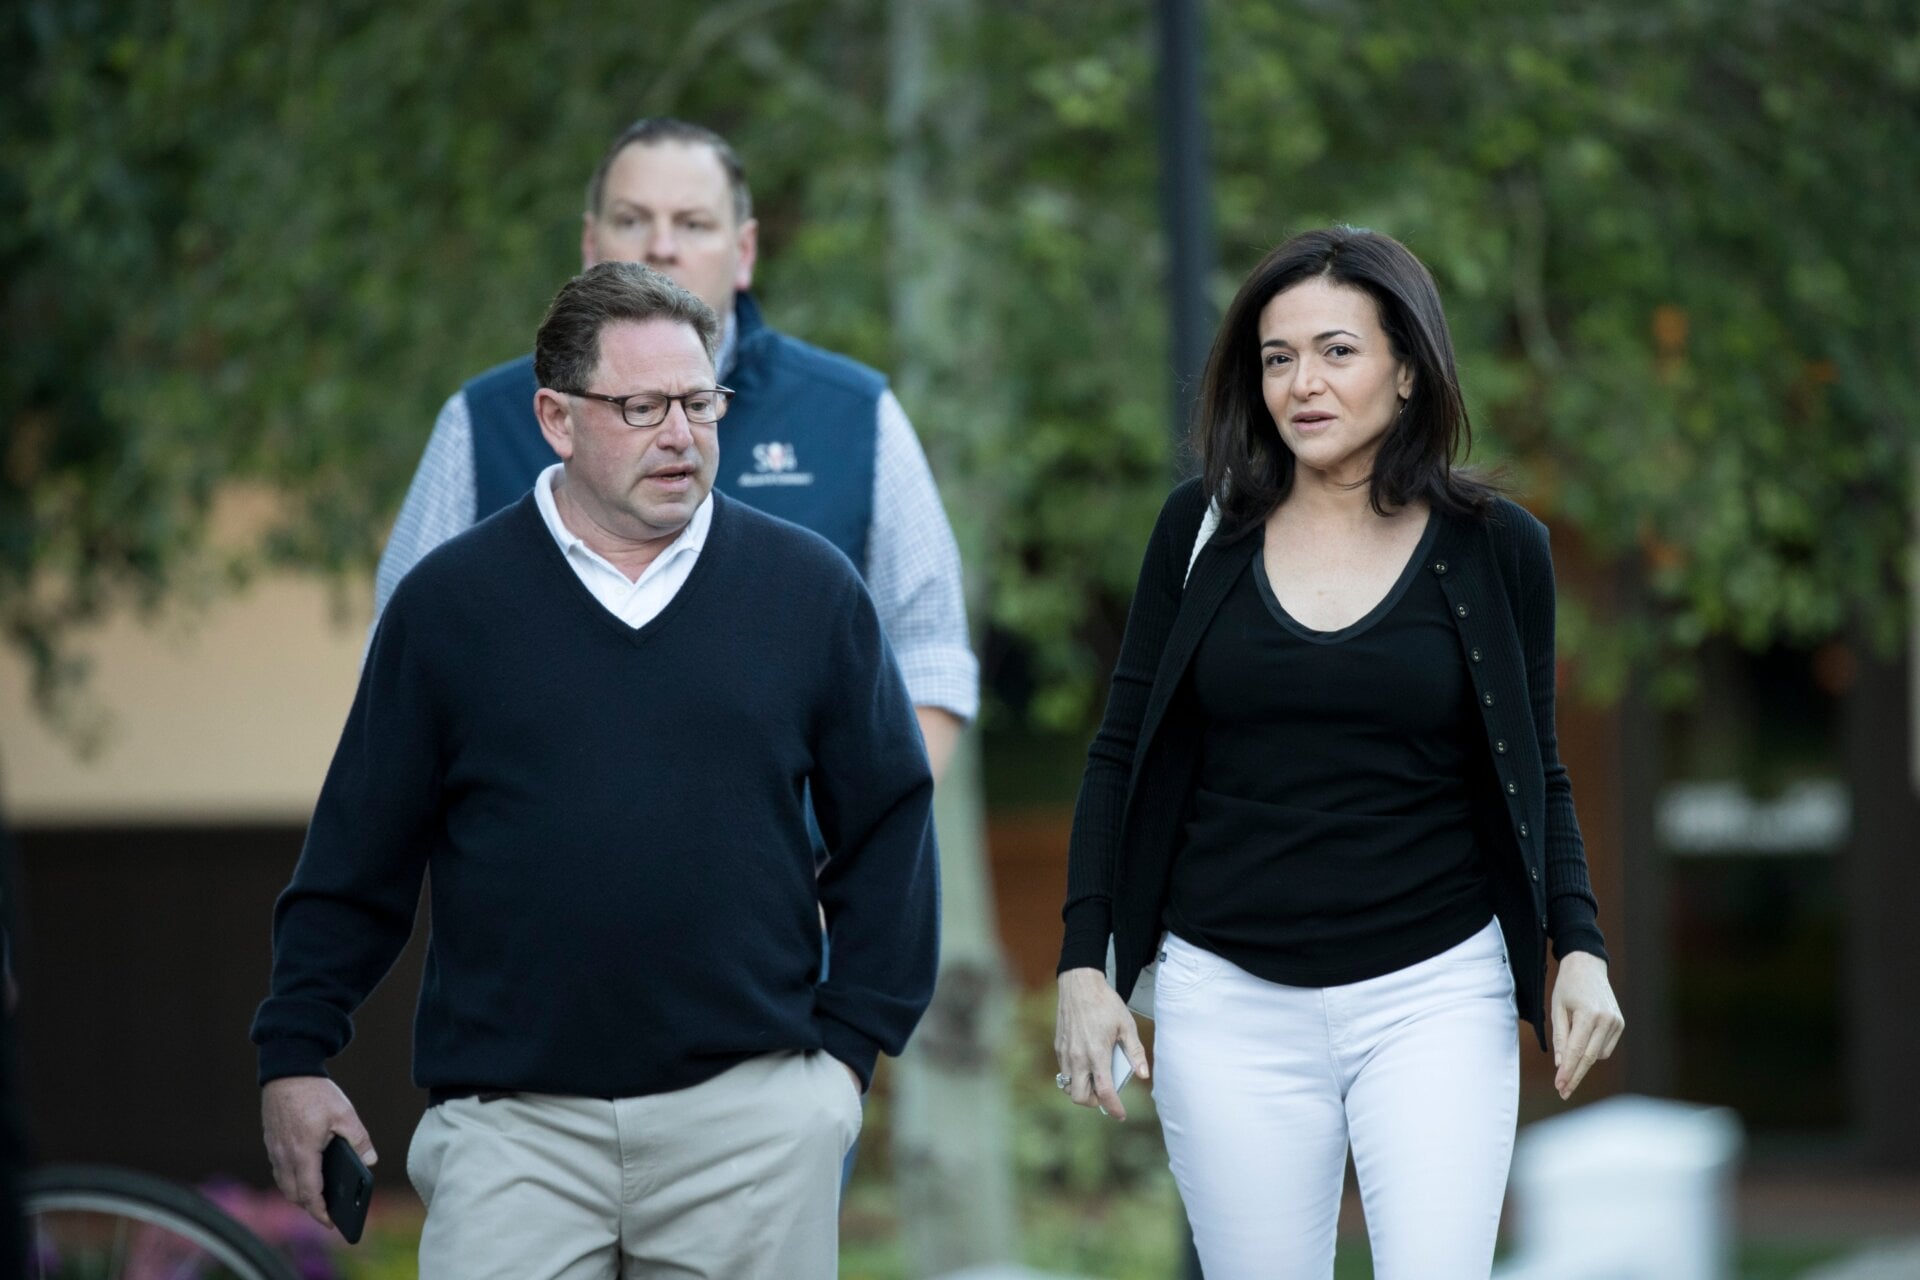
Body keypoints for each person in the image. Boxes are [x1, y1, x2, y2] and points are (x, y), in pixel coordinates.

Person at [253, 262, 939, 1280]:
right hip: (512, 1139)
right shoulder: (448, 608)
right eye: (642, 405)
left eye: (701, 401)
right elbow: (359, 851)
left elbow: (890, 825)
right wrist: (294, 1056)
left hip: (750, 1133)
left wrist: (841, 1064)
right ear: (556, 417)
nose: (681, 432)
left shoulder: (810, 594)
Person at [1051, 227, 1624, 1279]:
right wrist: (1087, 963)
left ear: (1408, 369)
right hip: (1225, 997)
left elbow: (1536, 766)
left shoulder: (1499, 548)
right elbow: (1118, 754)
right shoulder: (1198, 530)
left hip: (1434, 990)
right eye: (1277, 358)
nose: (1301, 383)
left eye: (1336, 351)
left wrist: (1576, 943)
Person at [375, 117, 976, 779]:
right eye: (632, 221)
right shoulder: (481, 423)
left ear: (744, 252)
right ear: (589, 242)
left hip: (792, 878)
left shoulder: (856, 416)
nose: (661, 247)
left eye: (693, 224)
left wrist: (847, 867)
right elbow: (398, 667)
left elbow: (929, 660)